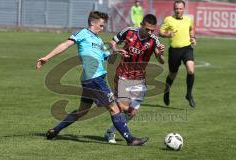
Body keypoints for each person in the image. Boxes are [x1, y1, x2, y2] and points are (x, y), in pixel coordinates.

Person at [36, 11, 148, 146]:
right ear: (93, 23)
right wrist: (47, 58)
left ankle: (55, 130)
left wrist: (117, 51)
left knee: (82, 111)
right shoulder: (83, 33)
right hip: (94, 79)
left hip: (92, 79)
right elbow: (65, 44)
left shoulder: (98, 40)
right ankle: (130, 139)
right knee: (114, 109)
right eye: (101, 25)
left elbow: (107, 57)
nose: (102, 28)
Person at [104, 14, 165, 143]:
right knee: (124, 107)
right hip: (123, 74)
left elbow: (161, 61)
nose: (149, 32)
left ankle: (110, 132)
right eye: (147, 29)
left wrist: (160, 54)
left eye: (152, 30)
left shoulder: (154, 40)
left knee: (131, 113)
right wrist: (116, 49)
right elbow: (112, 42)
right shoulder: (129, 31)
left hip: (139, 79)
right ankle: (113, 100)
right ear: (142, 24)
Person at [159, 0, 196, 108]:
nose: (178, 10)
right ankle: (167, 90)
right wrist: (168, 34)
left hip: (187, 48)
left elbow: (191, 29)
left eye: (180, 8)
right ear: (173, 9)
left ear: (184, 9)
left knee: (191, 70)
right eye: (176, 9)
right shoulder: (168, 19)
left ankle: (189, 95)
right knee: (172, 75)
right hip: (174, 51)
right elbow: (160, 32)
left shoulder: (188, 19)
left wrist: (193, 37)